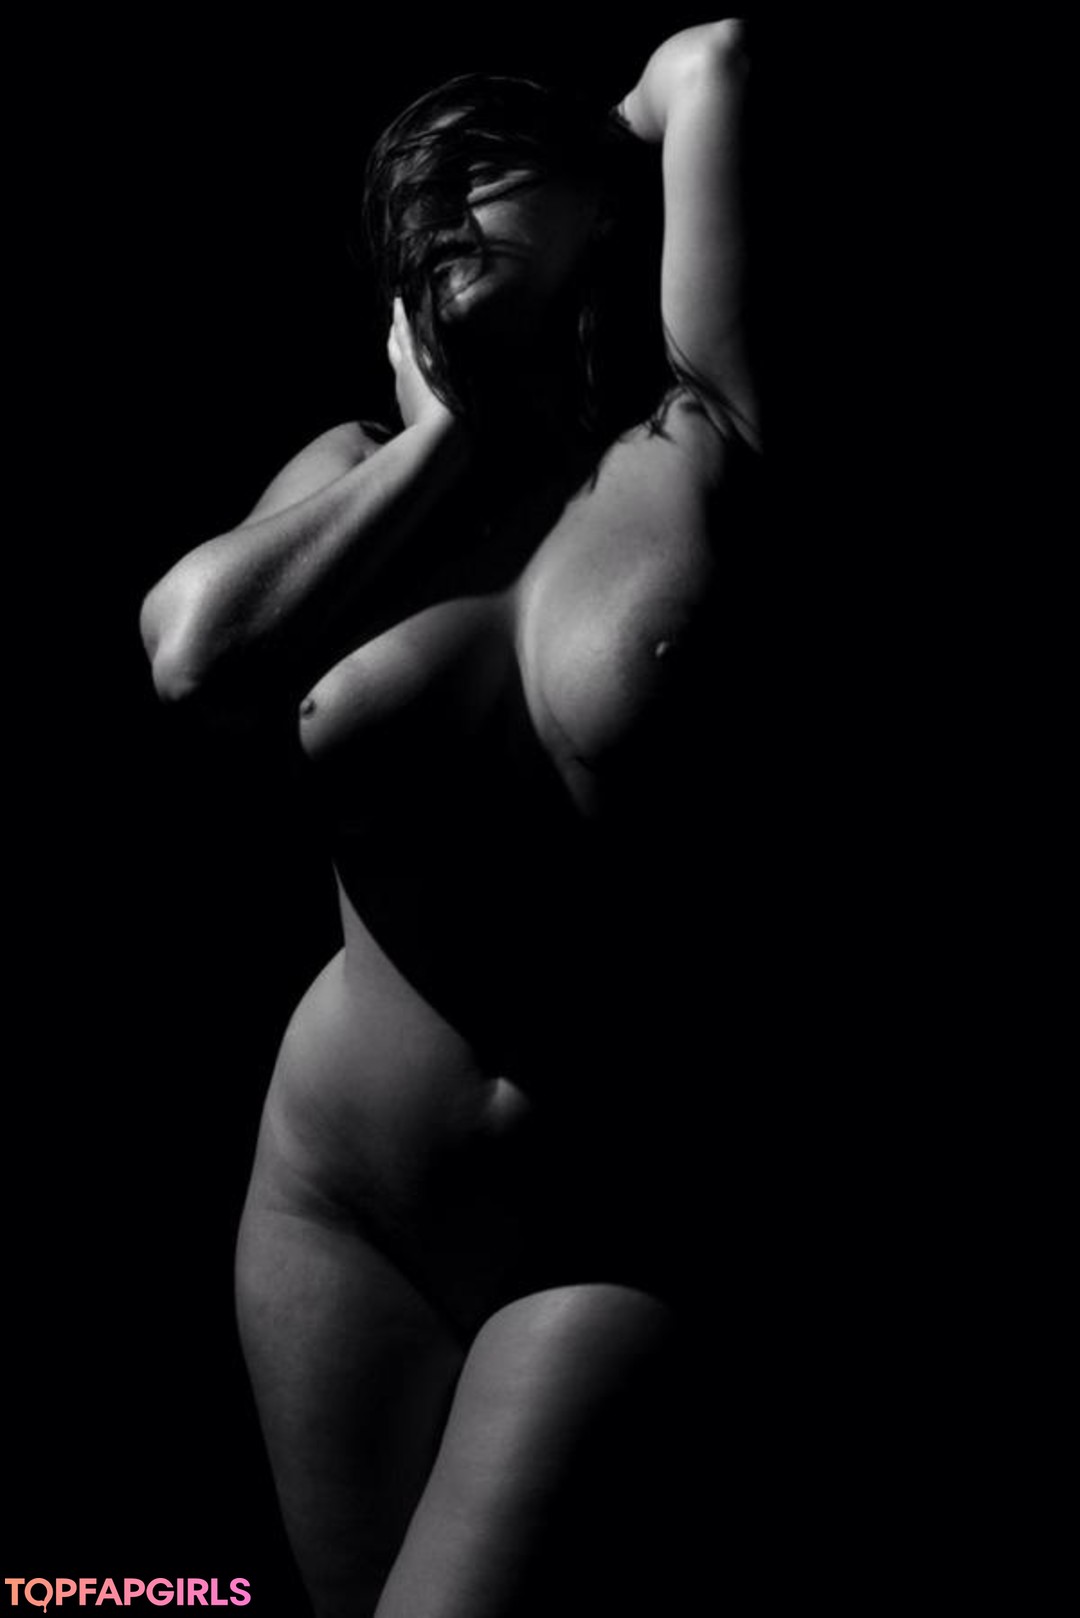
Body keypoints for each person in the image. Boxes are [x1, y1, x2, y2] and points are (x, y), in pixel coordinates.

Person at [140, 19, 761, 1617]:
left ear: (607, 213)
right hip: (337, 1201)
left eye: (480, 181)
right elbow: (194, 655)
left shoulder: (701, 438)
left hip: (616, 1210)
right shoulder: (356, 477)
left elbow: (716, 59)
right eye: (416, 217)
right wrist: (447, 438)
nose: (444, 226)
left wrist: (586, 146)